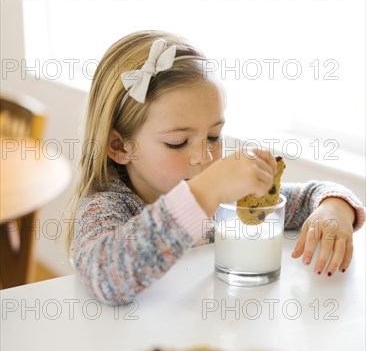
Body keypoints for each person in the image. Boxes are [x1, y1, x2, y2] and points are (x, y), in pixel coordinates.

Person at [67, 30, 365, 306]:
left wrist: (334, 209)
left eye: (214, 136)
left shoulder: (226, 197)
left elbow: (313, 194)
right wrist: (203, 194)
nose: (205, 156)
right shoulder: (106, 206)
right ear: (119, 147)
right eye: (178, 141)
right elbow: (106, 279)